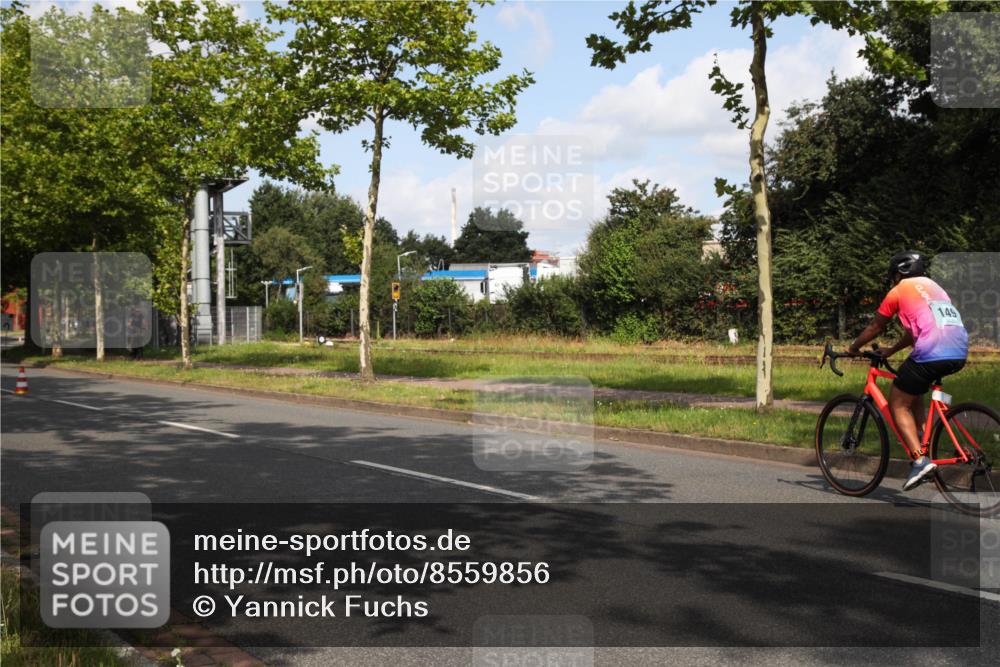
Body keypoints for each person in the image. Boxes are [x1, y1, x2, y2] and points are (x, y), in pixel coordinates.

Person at [847, 251, 968, 491]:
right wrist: (891, 350)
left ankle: (920, 460)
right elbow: (916, 332)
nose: (892, 280)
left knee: (898, 403)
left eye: (892, 275)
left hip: (932, 351)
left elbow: (875, 326)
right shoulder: (936, 288)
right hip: (959, 350)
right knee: (913, 387)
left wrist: (854, 348)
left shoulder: (899, 290)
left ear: (899, 273)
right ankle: (926, 441)